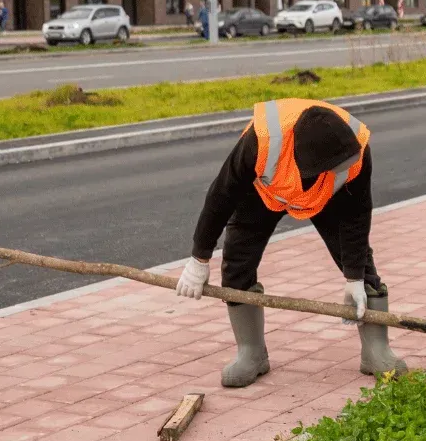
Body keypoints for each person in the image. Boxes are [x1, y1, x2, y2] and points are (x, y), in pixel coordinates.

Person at [174, 99, 408, 387]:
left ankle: (375, 350)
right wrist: (199, 258)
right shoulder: (261, 141)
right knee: (237, 261)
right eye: (336, 167)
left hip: (327, 195)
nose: (346, 168)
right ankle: (252, 353)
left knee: (363, 263)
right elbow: (222, 195)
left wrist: (355, 277)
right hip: (265, 192)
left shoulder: (356, 147)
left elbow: (356, 217)